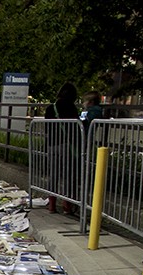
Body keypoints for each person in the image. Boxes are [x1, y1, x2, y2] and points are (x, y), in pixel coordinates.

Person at [44, 82, 80, 214]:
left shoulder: (51, 108)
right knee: (68, 175)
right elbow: (76, 127)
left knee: (53, 175)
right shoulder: (71, 108)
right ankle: (66, 205)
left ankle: (52, 205)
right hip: (66, 145)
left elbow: (47, 128)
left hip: (52, 145)